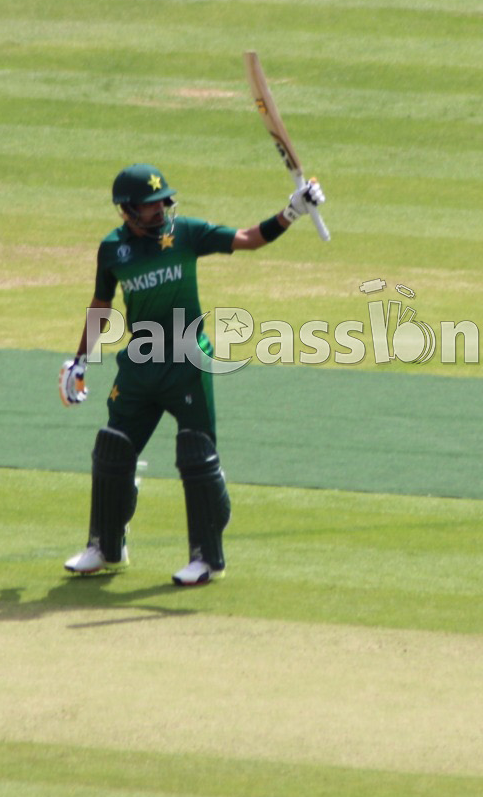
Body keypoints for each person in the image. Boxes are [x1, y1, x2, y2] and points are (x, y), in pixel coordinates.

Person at [58, 163, 325, 586]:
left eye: (163, 199)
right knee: (113, 450)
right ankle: (105, 547)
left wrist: (292, 211)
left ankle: (206, 557)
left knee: (197, 455)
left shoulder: (185, 233)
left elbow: (247, 239)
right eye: (149, 205)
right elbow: (101, 306)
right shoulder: (113, 250)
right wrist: (81, 361)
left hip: (187, 362)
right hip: (140, 365)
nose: (161, 208)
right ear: (126, 210)